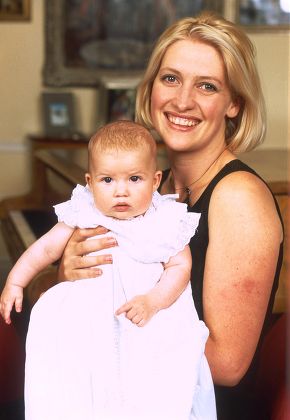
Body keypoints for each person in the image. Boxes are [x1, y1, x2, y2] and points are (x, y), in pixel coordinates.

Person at [57, 12, 284, 420]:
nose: (182, 101)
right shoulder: (150, 192)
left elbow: (227, 366)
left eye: (207, 86)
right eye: (171, 78)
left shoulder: (238, 198)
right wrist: (70, 274)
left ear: (234, 103)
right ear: (151, 87)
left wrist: (101, 353)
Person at [0, 120, 216, 420]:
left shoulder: (164, 221)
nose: (121, 192)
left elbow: (181, 266)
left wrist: (154, 300)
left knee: (147, 389)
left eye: (134, 179)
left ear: (155, 181)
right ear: (90, 181)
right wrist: (15, 281)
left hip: (142, 317)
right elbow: (46, 249)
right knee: (79, 384)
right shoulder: (85, 212)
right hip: (89, 325)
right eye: (107, 181)